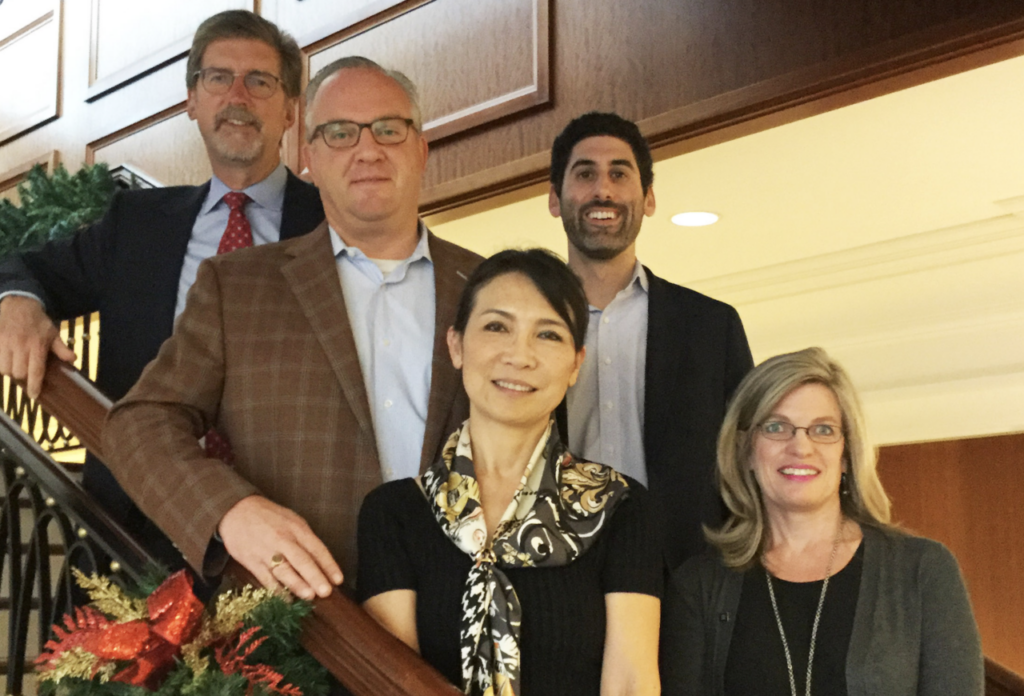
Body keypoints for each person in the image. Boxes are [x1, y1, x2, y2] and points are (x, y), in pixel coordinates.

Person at [102, 57, 482, 600]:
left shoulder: (491, 287)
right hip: (308, 629)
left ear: (421, 150)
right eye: (340, 133)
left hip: (467, 625)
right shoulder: (237, 288)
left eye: (389, 130)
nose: (367, 149)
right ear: (309, 158)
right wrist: (229, 510)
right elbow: (138, 424)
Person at [0, 10, 324, 547]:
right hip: (129, 525)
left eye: (260, 81)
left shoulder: (334, 225)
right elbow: (23, 266)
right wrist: (15, 301)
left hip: (283, 529)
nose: (238, 95)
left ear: (290, 109)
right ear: (192, 100)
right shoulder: (136, 224)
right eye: (218, 77)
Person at [356, 249, 663, 696]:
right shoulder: (395, 513)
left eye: (548, 335)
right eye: (497, 326)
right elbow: (393, 684)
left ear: (576, 363)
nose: (520, 356)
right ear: (456, 345)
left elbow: (632, 683)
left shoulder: (622, 509)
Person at [660, 347, 983, 696]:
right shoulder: (699, 585)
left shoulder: (922, 571)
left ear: (846, 454)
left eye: (823, 430)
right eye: (776, 427)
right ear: (746, 449)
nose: (801, 447)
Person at [548, 112, 753, 569]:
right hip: (556, 573)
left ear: (648, 198)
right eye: (585, 174)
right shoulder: (522, 327)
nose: (603, 190)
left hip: (686, 578)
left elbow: (748, 463)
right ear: (554, 199)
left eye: (619, 173)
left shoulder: (711, 326)